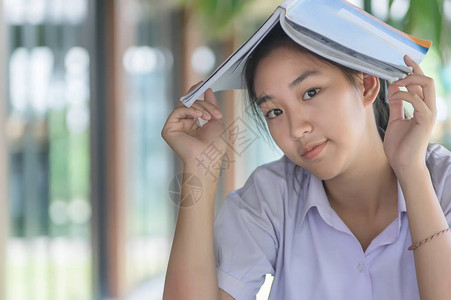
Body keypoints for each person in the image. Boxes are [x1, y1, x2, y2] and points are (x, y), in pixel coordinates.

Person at [161, 22, 451, 299]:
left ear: (367, 85)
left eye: (310, 92)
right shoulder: (270, 196)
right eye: (274, 112)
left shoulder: (443, 180)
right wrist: (201, 167)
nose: (296, 129)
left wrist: (412, 172)